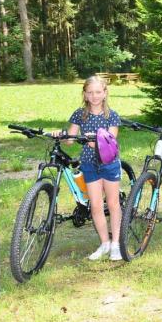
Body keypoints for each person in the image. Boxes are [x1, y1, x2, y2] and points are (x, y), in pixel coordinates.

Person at [58, 75, 123, 260]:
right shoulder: (80, 114)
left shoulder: (112, 116)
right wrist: (61, 135)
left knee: (112, 203)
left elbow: (111, 143)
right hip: (89, 164)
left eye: (98, 92)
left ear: (104, 93)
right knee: (95, 205)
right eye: (90, 92)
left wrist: (96, 142)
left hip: (109, 164)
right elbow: (70, 140)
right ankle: (104, 243)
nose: (94, 96)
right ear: (85, 94)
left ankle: (116, 243)